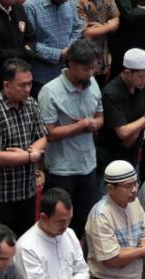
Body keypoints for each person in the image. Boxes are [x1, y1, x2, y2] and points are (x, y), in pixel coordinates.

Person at [39, 39, 105, 237]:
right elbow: (48, 133)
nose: (91, 73)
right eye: (86, 68)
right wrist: (81, 126)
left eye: (94, 67)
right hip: (61, 170)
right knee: (59, 225)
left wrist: (94, 124)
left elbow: (100, 117)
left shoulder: (92, 83)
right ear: (72, 64)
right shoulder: (50, 91)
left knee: (83, 222)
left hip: (88, 166)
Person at [0, 59, 48, 234]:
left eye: (30, 84)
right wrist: (30, 156)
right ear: (6, 85)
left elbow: (42, 136)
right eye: (22, 85)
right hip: (0, 197)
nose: (27, 89)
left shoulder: (31, 103)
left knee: (24, 244)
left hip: (27, 192)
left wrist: (29, 152)